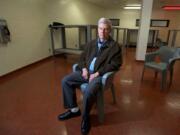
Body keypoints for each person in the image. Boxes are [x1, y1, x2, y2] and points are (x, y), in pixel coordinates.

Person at [57, 17, 122, 135]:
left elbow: (115, 64)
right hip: (86, 73)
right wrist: (83, 69)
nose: (102, 32)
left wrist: (98, 73)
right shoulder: (91, 43)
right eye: (100, 28)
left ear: (110, 31)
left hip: (99, 76)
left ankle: (86, 117)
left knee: (88, 90)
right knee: (65, 80)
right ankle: (74, 109)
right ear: (97, 29)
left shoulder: (115, 46)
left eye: (106, 29)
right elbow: (81, 58)